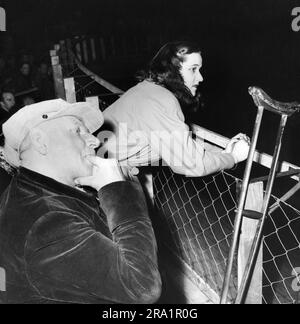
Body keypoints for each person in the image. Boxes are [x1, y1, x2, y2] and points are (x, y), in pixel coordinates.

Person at [0, 99, 161, 304]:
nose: (94, 141)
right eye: (78, 131)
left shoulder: (28, 192)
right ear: (40, 141)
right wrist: (117, 190)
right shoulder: (47, 222)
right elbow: (142, 287)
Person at [101, 41, 250, 177]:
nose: (200, 77)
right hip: (97, 172)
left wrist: (224, 151)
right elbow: (192, 165)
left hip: (95, 164)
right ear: (172, 71)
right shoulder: (162, 100)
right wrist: (233, 157)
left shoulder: (147, 89)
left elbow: (180, 143)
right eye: (193, 69)